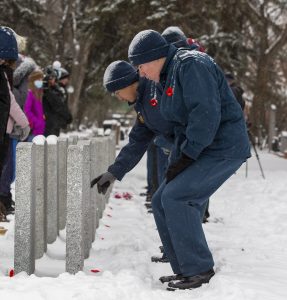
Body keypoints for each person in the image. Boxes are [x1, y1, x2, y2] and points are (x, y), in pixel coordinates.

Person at [127, 29, 251, 290]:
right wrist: (179, 156)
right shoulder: (169, 74)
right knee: (162, 198)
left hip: (223, 147)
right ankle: (183, 267)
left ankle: (199, 269)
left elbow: (205, 115)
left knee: (177, 197)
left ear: (153, 57)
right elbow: (178, 124)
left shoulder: (191, 64)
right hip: (202, 147)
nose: (140, 73)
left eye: (140, 65)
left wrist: (187, 156)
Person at [90, 59, 174, 204]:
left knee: (174, 203)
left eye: (117, 92)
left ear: (127, 84)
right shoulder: (142, 102)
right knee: (163, 204)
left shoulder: (155, 91)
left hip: (192, 154)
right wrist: (113, 173)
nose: (119, 98)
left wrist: (168, 143)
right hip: (179, 155)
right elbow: (137, 142)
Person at [42, 65, 72, 136]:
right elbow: (57, 104)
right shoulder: (45, 90)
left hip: (53, 124)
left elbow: (60, 104)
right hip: (47, 124)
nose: (54, 80)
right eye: (52, 78)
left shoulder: (55, 89)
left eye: (54, 78)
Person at [24, 69, 45, 140]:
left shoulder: (39, 93)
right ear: (33, 81)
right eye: (39, 79)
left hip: (40, 129)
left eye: (41, 79)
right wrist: (36, 121)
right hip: (34, 129)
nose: (41, 81)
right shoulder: (30, 93)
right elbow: (27, 110)